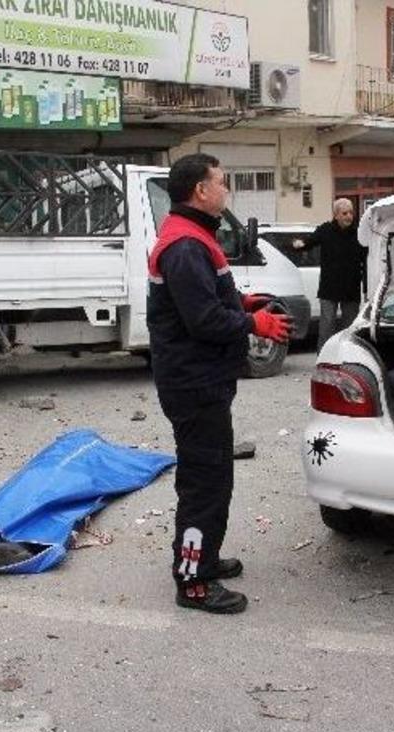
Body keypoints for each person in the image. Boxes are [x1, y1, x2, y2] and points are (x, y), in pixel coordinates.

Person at [146, 153, 291, 614]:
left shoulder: (191, 237)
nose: (226, 191)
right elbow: (203, 320)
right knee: (204, 485)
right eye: (222, 183)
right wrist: (254, 324)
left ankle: (203, 557)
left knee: (213, 478)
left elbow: (207, 297)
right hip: (194, 383)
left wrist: (243, 300)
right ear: (200, 191)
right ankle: (193, 580)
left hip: (202, 380)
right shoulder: (186, 245)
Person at [291, 198, 367, 349]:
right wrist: (299, 244)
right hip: (329, 288)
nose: (349, 217)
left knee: (350, 328)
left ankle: (348, 358)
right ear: (336, 215)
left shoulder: (359, 232)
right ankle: (324, 360)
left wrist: (367, 282)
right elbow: (310, 242)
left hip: (350, 288)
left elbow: (367, 257)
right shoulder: (326, 230)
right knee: (326, 327)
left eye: (351, 213)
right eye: (345, 213)